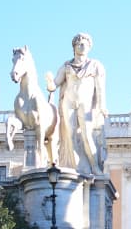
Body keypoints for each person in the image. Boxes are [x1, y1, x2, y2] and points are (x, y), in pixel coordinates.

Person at [47, 33, 108, 175]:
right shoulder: (67, 65)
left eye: (85, 44)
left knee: (87, 135)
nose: (82, 46)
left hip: (85, 104)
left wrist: (102, 106)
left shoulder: (95, 65)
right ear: (74, 46)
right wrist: (49, 82)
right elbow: (55, 84)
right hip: (68, 103)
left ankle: (94, 167)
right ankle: (72, 168)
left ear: (89, 47)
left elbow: (100, 88)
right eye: (79, 43)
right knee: (69, 135)